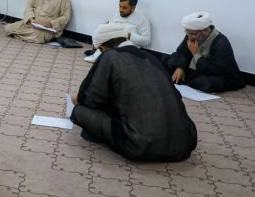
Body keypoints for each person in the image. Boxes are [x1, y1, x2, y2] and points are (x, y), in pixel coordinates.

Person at [70, 23, 197, 162]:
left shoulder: (110, 56)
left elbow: (90, 98)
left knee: (79, 110)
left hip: (141, 145)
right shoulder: (150, 57)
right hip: (184, 142)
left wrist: (78, 98)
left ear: (102, 47)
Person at [163, 12, 245, 92]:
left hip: (216, 75)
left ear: (205, 31)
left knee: (204, 82)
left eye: (193, 34)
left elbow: (216, 70)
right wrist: (179, 67)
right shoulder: (191, 35)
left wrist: (196, 53)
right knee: (167, 59)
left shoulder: (221, 42)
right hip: (196, 70)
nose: (190, 37)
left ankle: (187, 80)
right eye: (188, 33)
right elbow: (181, 52)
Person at [84, 0, 151, 62]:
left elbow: (146, 41)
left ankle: (103, 53)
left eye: (124, 7)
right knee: (100, 30)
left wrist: (128, 34)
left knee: (124, 43)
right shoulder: (117, 16)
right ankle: (100, 52)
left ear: (133, 8)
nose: (121, 10)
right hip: (111, 42)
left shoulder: (142, 20)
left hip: (126, 45)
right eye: (120, 6)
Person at [4, 0, 72, 43]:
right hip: (32, 24)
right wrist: (31, 19)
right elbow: (29, 5)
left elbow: (65, 17)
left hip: (46, 29)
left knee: (39, 37)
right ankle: (24, 35)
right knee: (8, 28)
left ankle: (19, 34)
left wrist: (51, 24)